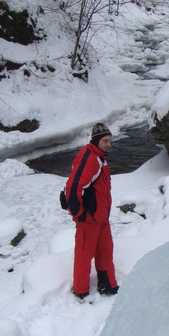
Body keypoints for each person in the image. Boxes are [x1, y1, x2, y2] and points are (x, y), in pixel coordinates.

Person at [64, 123, 119, 300]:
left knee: (105, 250)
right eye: (105, 141)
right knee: (84, 255)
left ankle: (107, 285)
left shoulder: (101, 158)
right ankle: (81, 291)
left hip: (101, 217)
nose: (108, 144)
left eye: (110, 141)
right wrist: (78, 213)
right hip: (88, 218)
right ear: (96, 140)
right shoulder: (90, 158)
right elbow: (73, 187)